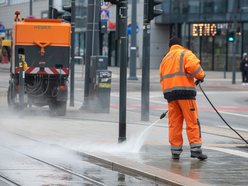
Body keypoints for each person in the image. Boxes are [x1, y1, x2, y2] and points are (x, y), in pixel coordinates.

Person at [159, 37, 207, 160]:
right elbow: (193, 67)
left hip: (170, 95)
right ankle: (195, 149)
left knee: (174, 123)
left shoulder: (165, 59)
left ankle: (175, 151)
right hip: (185, 93)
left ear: (170, 47)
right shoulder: (185, 53)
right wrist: (201, 75)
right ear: (180, 45)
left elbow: (162, 78)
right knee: (192, 121)